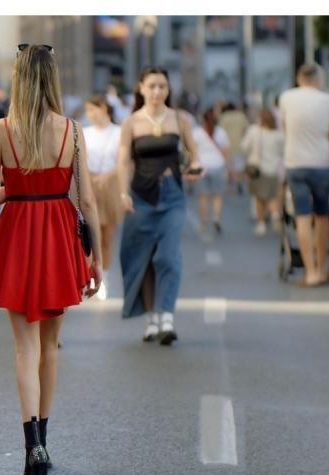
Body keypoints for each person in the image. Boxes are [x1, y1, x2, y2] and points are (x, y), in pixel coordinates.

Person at [0, 44, 102, 475]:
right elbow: (85, 198)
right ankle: (44, 443)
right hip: (57, 233)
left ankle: (30, 444)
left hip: (16, 230)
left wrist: (12, 186)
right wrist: (98, 258)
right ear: (52, 79)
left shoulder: (0, 130)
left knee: (23, 348)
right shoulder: (71, 130)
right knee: (50, 348)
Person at [116, 67, 203, 344]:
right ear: (141, 88)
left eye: (162, 86)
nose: (157, 92)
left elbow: (194, 152)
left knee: (166, 256)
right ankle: (151, 319)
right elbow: (123, 161)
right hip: (141, 196)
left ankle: (166, 315)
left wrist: (196, 165)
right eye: (152, 86)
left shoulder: (179, 119)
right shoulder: (131, 123)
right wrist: (122, 193)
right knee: (142, 258)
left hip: (172, 195)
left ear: (168, 89)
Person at [279, 64, 329, 287]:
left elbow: (285, 128)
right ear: (317, 79)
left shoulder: (286, 98)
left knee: (302, 216)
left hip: (295, 162)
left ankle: (310, 271)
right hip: (322, 163)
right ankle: (322, 269)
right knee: (322, 216)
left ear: (299, 78)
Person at [82, 94, 123, 300]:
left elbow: (124, 162)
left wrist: (108, 177)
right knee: (88, 234)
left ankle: (103, 276)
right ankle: (89, 275)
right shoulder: (84, 133)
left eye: (93, 109)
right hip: (89, 184)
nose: (90, 114)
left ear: (104, 108)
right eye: (88, 110)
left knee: (106, 236)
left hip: (110, 184)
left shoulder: (118, 132)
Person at [241, 108, 284, 236]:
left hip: (258, 169)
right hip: (274, 169)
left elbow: (244, 147)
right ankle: (275, 214)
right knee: (273, 195)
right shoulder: (279, 134)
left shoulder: (254, 131)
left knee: (259, 197)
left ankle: (261, 223)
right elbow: (283, 152)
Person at [190, 108, 232, 235]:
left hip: (202, 166)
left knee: (203, 196)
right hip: (218, 165)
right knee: (217, 195)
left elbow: (193, 152)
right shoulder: (221, 132)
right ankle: (216, 217)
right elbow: (226, 152)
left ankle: (203, 223)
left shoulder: (197, 133)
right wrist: (229, 168)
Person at [218, 102, 249, 195]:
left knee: (229, 166)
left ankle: (231, 185)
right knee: (239, 166)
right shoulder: (241, 116)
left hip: (227, 146)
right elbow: (246, 129)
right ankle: (239, 182)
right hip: (240, 145)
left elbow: (220, 131)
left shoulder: (224, 117)